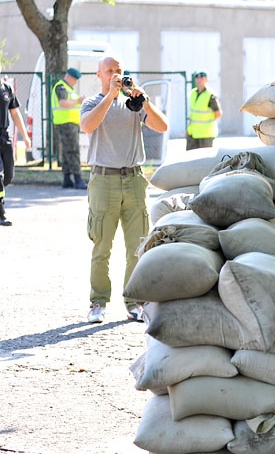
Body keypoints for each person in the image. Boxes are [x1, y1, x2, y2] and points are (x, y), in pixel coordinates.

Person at [80, 56, 168, 324]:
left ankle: (135, 303)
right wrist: (111, 95)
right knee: (102, 246)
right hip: (103, 180)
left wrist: (145, 100)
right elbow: (88, 126)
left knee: (137, 247)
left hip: (133, 179)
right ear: (99, 75)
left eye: (119, 70)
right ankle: (98, 303)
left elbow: (162, 127)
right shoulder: (92, 102)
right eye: (110, 71)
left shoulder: (134, 104)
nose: (116, 74)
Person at [0, 65, 32, 226]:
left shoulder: (7, 88)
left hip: (4, 137)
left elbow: (15, 113)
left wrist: (25, 135)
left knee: (7, 177)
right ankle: (1, 213)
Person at [52, 67, 87, 189]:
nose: (75, 82)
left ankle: (67, 179)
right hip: (66, 123)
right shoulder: (61, 87)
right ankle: (78, 179)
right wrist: (78, 101)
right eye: (75, 79)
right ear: (69, 77)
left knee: (67, 151)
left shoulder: (67, 88)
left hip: (68, 123)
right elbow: (63, 103)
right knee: (73, 151)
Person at [185, 71, 221, 150]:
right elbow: (193, 114)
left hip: (206, 135)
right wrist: (188, 129)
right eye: (197, 77)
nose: (199, 80)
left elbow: (218, 114)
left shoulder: (211, 95)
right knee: (190, 159)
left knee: (205, 161)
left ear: (206, 79)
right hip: (193, 133)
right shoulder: (193, 93)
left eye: (201, 77)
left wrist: (206, 124)